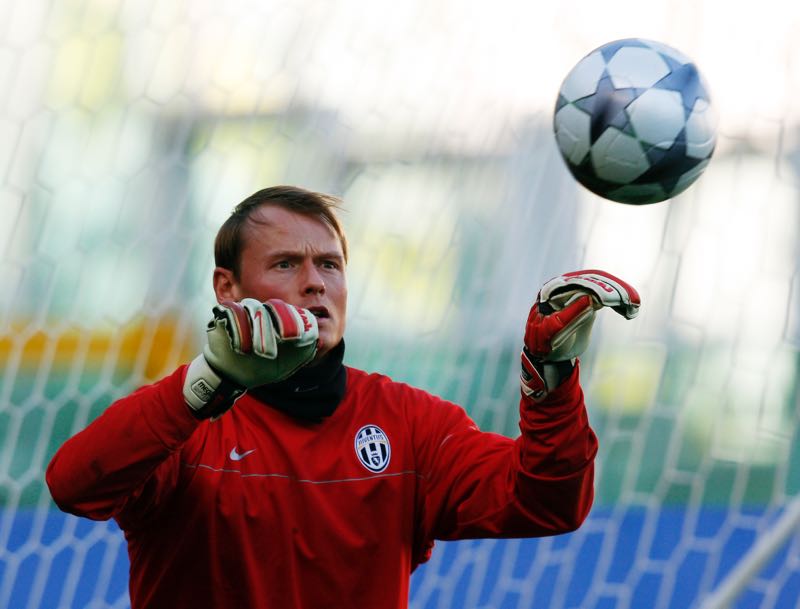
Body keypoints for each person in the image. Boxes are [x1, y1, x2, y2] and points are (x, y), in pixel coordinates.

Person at [46, 185, 640, 609]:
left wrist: (553, 375)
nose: (316, 282)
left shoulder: (409, 422)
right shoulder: (183, 417)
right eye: (287, 263)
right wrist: (205, 382)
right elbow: (73, 486)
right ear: (228, 289)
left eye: (330, 264)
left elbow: (547, 504)